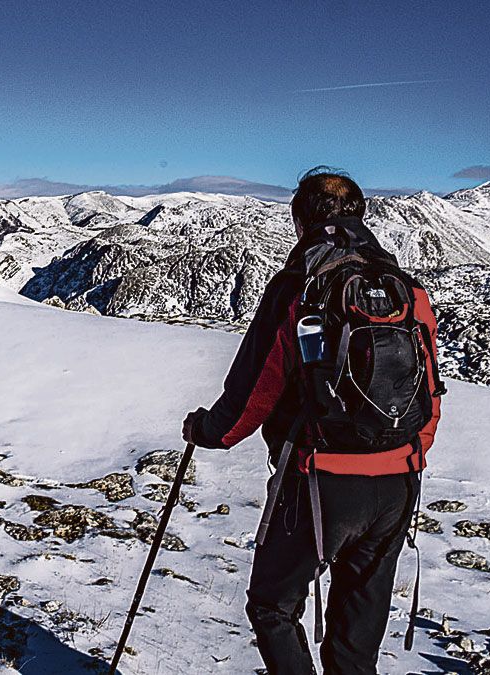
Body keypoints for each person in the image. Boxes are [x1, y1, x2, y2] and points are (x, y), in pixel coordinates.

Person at [182, 167, 442, 675]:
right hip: (397, 483)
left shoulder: (300, 285)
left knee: (273, 607)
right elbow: (430, 390)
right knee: (356, 638)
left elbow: (255, 390)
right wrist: (411, 454)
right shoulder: (407, 291)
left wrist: (207, 432)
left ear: (301, 219)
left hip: (319, 480)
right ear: (360, 214)